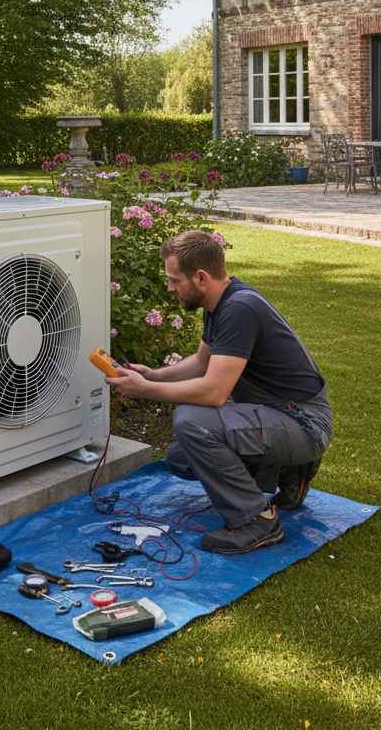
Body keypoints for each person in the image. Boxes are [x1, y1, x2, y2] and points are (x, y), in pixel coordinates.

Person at [105, 229, 332, 555]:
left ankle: (258, 519)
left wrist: (147, 390)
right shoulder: (221, 304)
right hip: (283, 416)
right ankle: (288, 469)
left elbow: (213, 393)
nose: (170, 287)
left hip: (303, 422)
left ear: (200, 277)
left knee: (191, 421)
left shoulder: (239, 309)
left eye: (174, 280)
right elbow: (201, 362)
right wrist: (155, 375)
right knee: (182, 460)